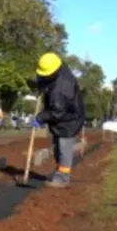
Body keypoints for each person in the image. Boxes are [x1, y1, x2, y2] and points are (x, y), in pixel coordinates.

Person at [30, 52, 86, 189]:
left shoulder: (61, 88)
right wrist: (40, 86)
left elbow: (57, 112)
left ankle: (63, 178)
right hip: (62, 119)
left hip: (69, 121)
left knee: (64, 150)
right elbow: (46, 82)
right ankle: (59, 172)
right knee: (57, 148)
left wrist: (40, 118)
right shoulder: (59, 70)